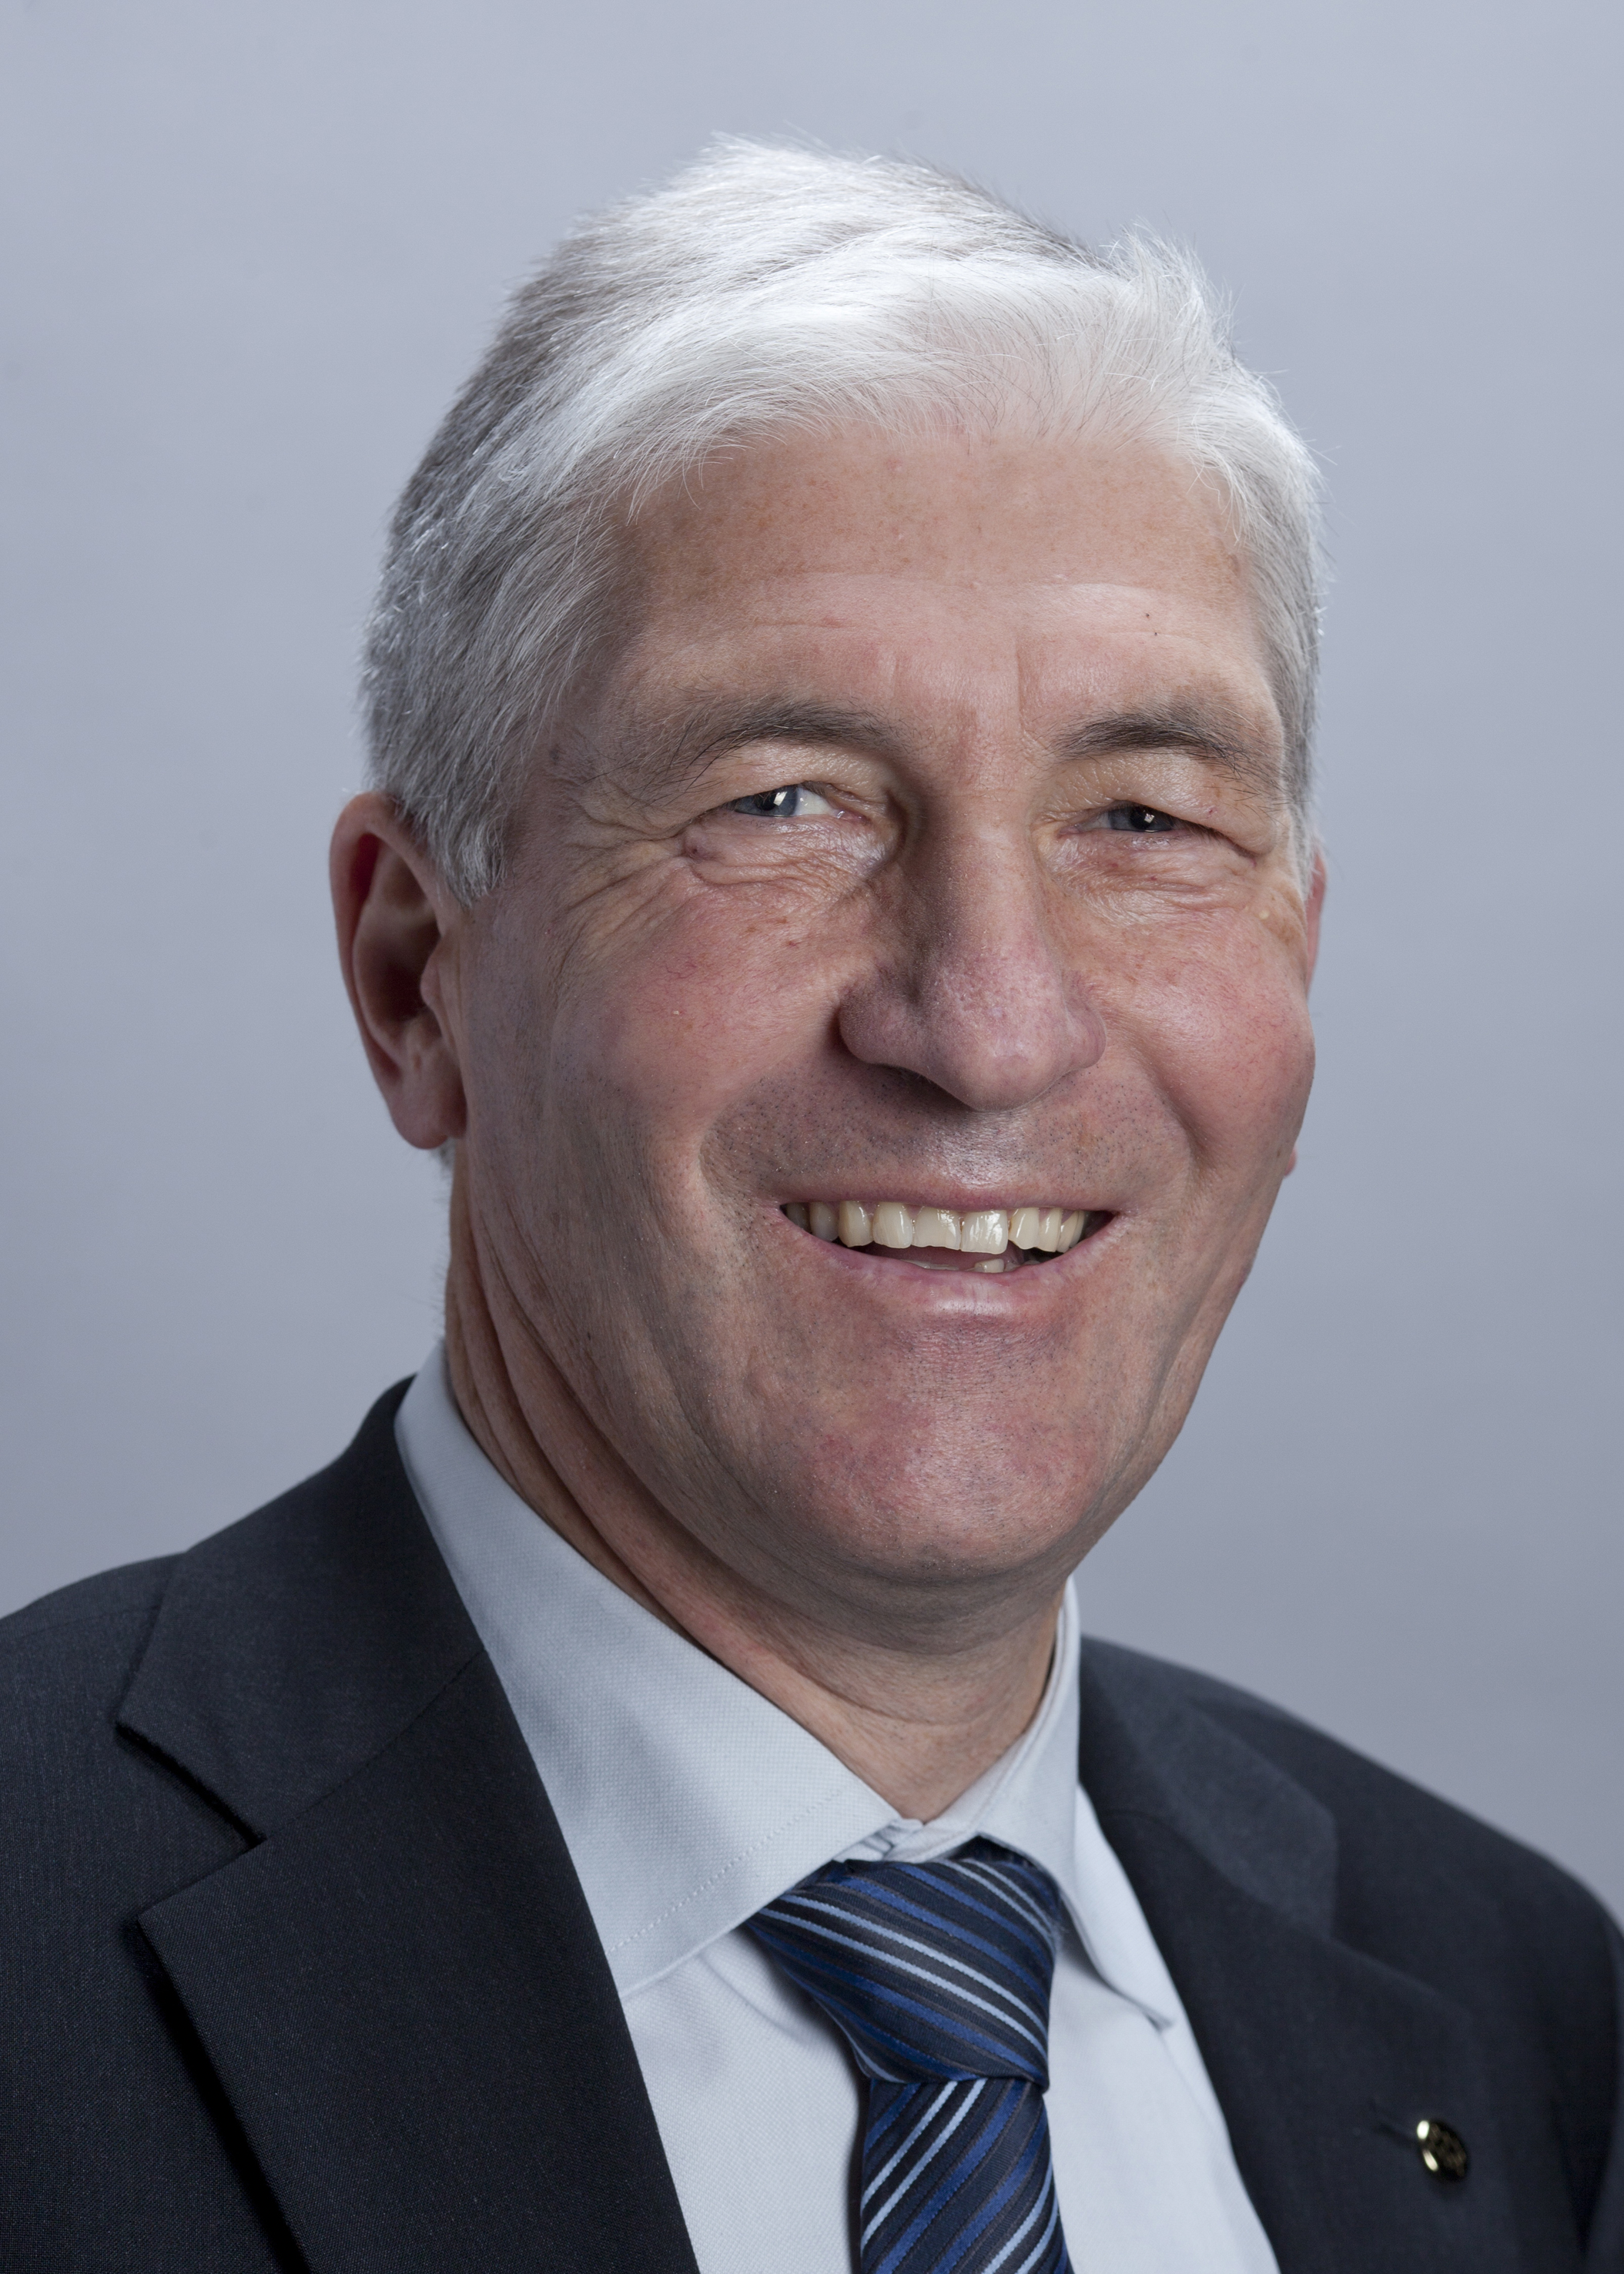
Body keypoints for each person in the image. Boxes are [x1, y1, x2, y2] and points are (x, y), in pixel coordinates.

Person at [2, 142, 1619, 2274]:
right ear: (417, 979)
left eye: (1144, 818)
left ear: (1296, 965)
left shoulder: (1517, 2004)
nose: (992, 1025)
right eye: (781, 802)